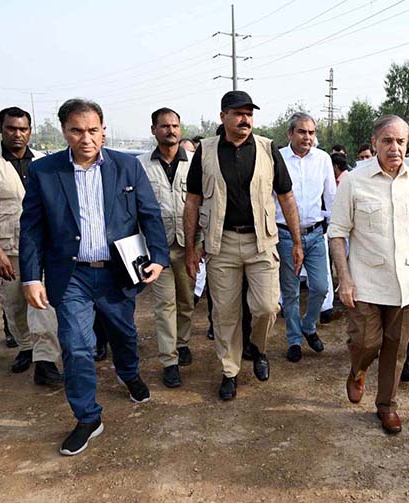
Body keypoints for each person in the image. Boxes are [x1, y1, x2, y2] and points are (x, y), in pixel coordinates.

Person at [20, 98, 169, 456]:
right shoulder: (45, 172)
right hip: (72, 276)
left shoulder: (126, 167)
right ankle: (88, 417)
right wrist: (31, 277)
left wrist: (159, 257)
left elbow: (149, 214)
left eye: (92, 130)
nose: (85, 138)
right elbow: (32, 228)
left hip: (118, 271)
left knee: (124, 333)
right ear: (64, 132)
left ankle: (129, 373)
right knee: (76, 346)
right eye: (76, 130)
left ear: (103, 129)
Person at [183, 90, 302, 401]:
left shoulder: (267, 148)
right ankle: (230, 371)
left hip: (261, 242)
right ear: (223, 116)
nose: (244, 118)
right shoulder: (205, 151)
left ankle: (258, 348)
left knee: (266, 307)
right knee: (225, 313)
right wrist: (192, 248)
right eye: (238, 113)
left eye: (249, 113)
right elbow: (193, 202)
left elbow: (286, 197)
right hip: (221, 244)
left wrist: (297, 241)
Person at [328, 115, 409, 434]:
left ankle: (387, 406)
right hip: (365, 283)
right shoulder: (354, 181)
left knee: (396, 349)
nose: (395, 147)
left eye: (400, 141)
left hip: (405, 284)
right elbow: (337, 233)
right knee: (365, 342)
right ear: (374, 143)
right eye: (387, 141)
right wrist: (344, 278)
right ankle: (358, 370)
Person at [0, 107, 62, 384]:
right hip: (6, 249)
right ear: (1, 129)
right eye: (11, 128)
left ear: (30, 131)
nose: (18, 134)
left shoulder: (45, 162)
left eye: (23, 129)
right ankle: (26, 347)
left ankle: (45, 361)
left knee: (43, 305)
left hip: (42, 247)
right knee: (14, 304)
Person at [137, 108, 198, 388]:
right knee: (164, 305)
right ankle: (169, 360)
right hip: (156, 249)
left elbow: (204, 204)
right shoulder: (140, 166)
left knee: (186, 301)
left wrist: (200, 245)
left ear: (180, 129)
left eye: (175, 125)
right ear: (153, 130)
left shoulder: (195, 163)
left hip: (188, 246)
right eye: (164, 126)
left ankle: (183, 342)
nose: (170, 130)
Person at [277, 112, 335, 362]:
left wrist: (335, 231)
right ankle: (294, 340)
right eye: (302, 132)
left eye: (311, 132)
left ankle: (309, 325)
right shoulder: (277, 158)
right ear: (290, 133)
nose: (307, 137)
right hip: (286, 235)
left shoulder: (323, 159)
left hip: (316, 234)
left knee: (321, 287)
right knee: (289, 292)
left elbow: (331, 196)